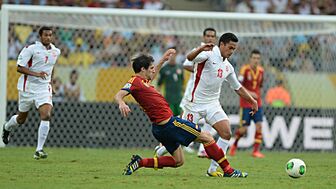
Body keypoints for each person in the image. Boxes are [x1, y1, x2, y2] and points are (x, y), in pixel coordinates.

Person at [115, 49, 249, 177]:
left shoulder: (144, 82)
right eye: (150, 68)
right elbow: (119, 95)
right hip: (170, 124)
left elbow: (153, 74)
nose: (153, 70)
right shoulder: (134, 82)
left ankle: (140, 162)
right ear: (142, 69)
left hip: (160, 128)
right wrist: (121, 102)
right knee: (207, 137)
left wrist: (163, 60)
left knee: (178, 161)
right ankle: (228, 170)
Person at [182, 32, 258, 177]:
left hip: (212, 104)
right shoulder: (208, 54)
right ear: (221, 44)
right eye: (230, 48)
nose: (231, 52)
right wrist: (201, 49)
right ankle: (161, 150)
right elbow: (189, 58)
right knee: (183, 137)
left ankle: (213, 169)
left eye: (234, 49)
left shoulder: (228, 66)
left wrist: (252, 101)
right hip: (194, 105)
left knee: (226, 132)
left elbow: (238, 87)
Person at [154, 28, 219, 157]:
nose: (210, 38)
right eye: (208, 36)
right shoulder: (197, 52)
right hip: (191, 98)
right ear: (203, 37)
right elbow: (186, 63)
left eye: (213, 36)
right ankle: (165, 147)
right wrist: (200, 71)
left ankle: (201, 149)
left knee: (206, 122)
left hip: (204, 97)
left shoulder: (217, 53)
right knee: (181, 125)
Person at [2, 26, 61, 159]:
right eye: (45, 35)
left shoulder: (56, 51)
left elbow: (51, 68)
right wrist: (36, 74)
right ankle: (7, 127)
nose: (48, 37)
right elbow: (19, 68)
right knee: (21, 119)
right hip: (27, 87)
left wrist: (51, 84)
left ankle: (39, 149)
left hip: (44, 88)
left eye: (50, 35)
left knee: (46, 115)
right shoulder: (31, 49)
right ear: (40, 36)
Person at [229, 49, 265, 158]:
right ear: (250, 59)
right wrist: (250, 94)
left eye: (258, 58)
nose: (256, 60)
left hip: (257, 104)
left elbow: (260, 86)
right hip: (245, 104)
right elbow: (238, 85)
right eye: (254, 58)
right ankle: (234, 145)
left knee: (259, 126)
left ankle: (255, 151)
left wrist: (258, 96)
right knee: (243, 129)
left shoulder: (261, 71)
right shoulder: (244, 70)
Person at [157, 47, 184, 116]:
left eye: (174, 54)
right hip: (169, 99)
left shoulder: (180, 67)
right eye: (170, 54)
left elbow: (182, 82)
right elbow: (159, 85)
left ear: (177, 55)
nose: (172, 56)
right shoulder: (164, 69)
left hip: (179, 99)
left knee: (181, 118)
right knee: (170, 117)